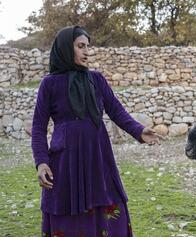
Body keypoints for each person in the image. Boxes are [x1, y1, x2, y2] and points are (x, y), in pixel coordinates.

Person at [31, 25, 161, 236]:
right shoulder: (49, 84)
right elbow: (38, 127)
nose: (86, 51)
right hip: (65, 162)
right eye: (80, 46)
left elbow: (117, 111)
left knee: (108, 206)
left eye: (87, 47)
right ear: (65, 48)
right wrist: (41, 161)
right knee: (66, 209)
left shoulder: (96, 79)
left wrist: (139, 131)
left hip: (98, 157)